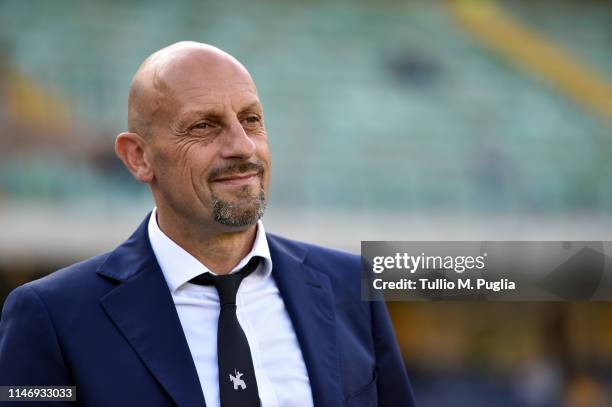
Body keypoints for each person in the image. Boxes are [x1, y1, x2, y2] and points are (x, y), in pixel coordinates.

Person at [0, 42, 415, 407]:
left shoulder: (348, 286)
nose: (242, 146)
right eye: (204, 126)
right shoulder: (52, 317)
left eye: (251, 120)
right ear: (138, 157)